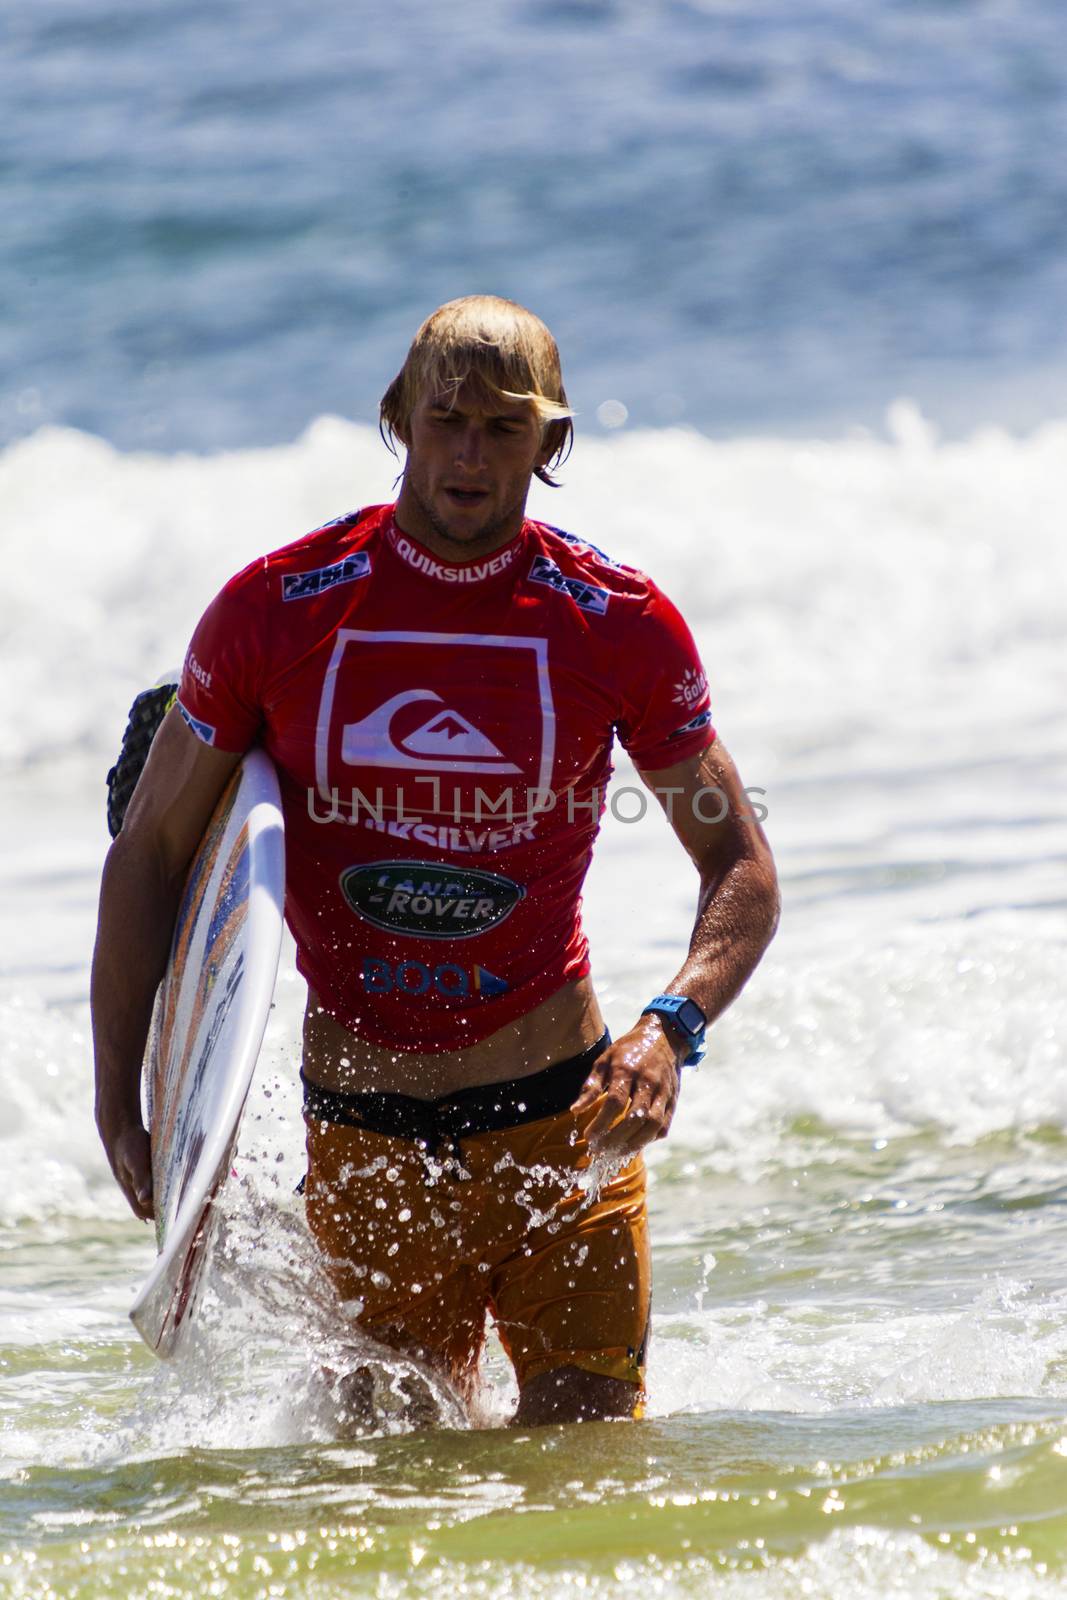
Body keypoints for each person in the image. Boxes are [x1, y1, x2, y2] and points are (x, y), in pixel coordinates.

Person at [92, 295, 779, 1425]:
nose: (468, 453)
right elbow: (154, 850)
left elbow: (737, 863)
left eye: (504, 429)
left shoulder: (616, 623)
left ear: (548, 445)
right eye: (444, 418)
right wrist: (124, 1092)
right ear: (396, 419)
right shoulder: (277, 609)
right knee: (403, 1495)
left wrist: (673, 1025)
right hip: (367, 1144)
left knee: (589, 1484)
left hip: (563, 1131)